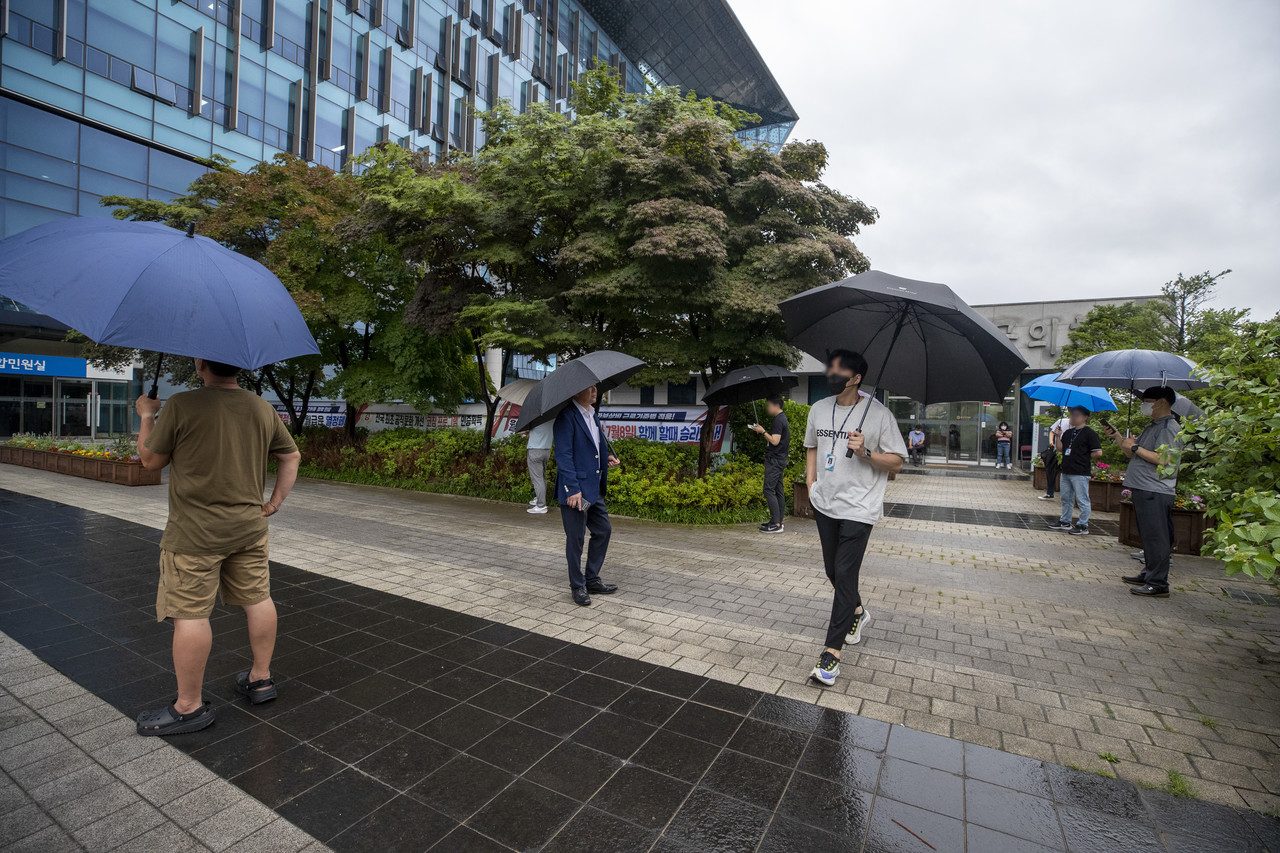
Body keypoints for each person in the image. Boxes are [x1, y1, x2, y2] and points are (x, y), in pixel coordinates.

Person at [132, 359, 301, 736]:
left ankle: (189, 707)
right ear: (239, 365)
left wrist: (147, 415)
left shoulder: (181, 405)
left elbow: (149, 462)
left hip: (194, 535)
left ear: (200, 363)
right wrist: (272, 505)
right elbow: (291, 456)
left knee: (190, 614)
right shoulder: (261, 407)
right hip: (248, 529)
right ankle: (261, 680)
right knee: (258, 598)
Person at [804, 350, 907, 687]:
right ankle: (858, 612)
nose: (831, 372)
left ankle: (831, 655)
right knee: (833, 571)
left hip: (860, 507)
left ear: (856, 377)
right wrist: (810, 483)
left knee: (845, 574)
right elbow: (811, 447)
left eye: (839, 368)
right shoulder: (819, 409)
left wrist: (867, 452)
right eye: (830, 365)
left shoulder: (879, 415)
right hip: (825, 502)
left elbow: (896, 463)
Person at [1106, 387, 1183, 597]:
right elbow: (1134, 454)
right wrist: (1119, 438)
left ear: (1161, 402)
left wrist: (1134, 448)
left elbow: (1164, 459)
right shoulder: (1154, 426)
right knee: (1148, 536)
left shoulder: (1168, 428)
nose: (1144, 405)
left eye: (1147, 401)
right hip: (1144, 487)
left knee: (1156, 537)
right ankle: (1149, 572)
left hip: (1155, 489)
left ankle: (1158, 584)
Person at [553, 384, 621, 606]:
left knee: (603, 531)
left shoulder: (593, 415)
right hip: (577, 492)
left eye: (595, 387)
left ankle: (592, 579)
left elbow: (594, 448)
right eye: (589, 388)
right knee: (576, 538)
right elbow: (563, 456)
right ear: (575, 391)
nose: (595, 391)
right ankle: (577, 585)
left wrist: (606, 459)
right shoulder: (567, 417)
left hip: (593, 490)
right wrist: (572, 488)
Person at [1046, 406, 1102, 535]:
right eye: (1072, 415)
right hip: (1066, 469)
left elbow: (1098, 452)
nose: (1073, 417)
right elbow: (1060, 448)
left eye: (1076, 415)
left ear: (1085, 417)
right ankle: (1065, 521)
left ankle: (1083, 524)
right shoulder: (1069, 433)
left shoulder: (1089, 433)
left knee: (1082, 499)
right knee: (1066, 497)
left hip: (1080, 471)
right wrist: (1058, 436)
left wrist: (1083, 457)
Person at [750, 395, 790, 533]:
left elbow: (774, 441)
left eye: (768, 405)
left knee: (768, 489)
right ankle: (776, 521)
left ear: (775, 405)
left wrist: (763, 432)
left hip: (775, 460)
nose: (767, 408)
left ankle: (776, 524)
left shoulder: (779, 420)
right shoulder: (781, 418)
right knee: (778, 490)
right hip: (779, 459)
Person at [525, 420, 554, 514]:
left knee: (537, 479)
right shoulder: (552, 419)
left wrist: (527, 431)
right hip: (546, 450)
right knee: (542, 477)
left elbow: (524, 432)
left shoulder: (534, 420)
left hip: (535, 450)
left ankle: (541, 505)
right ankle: (539, 498)